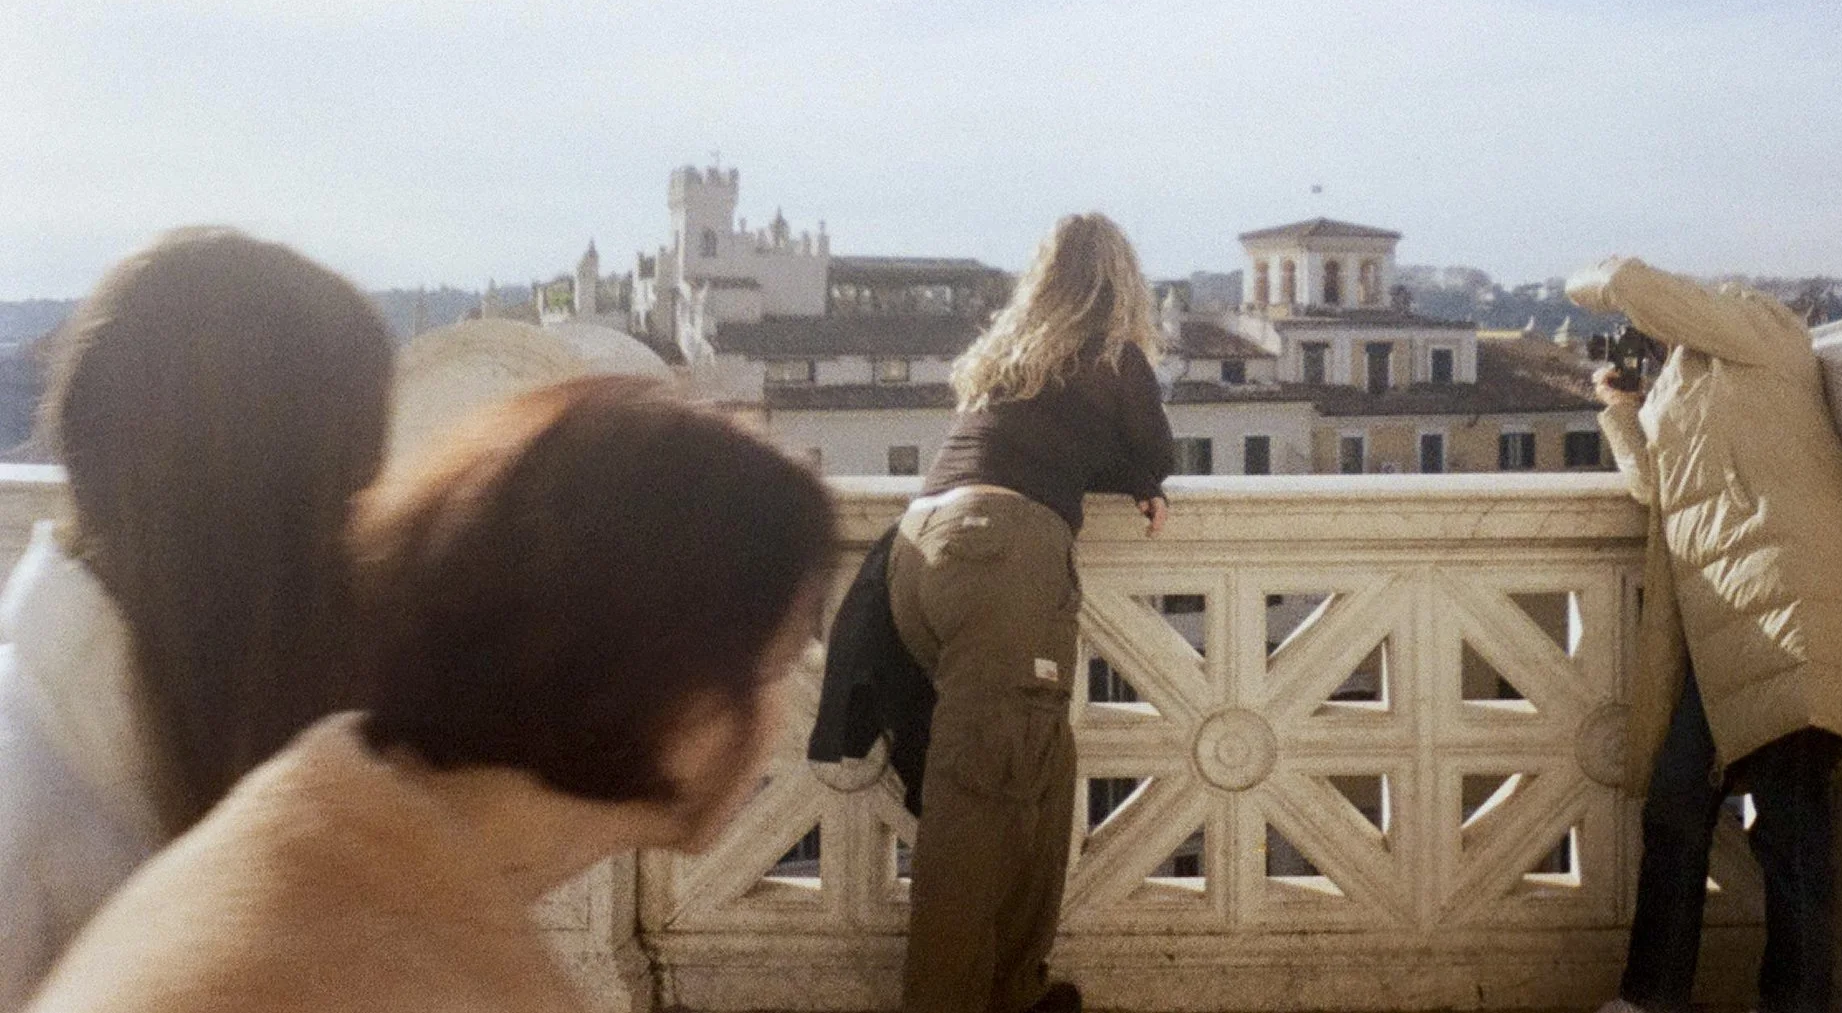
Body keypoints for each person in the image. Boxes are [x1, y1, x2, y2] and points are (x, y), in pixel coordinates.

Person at [28, 375, 837, 1013]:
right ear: (678, 694)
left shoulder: (312, 820)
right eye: (779, 660)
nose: (778, 715)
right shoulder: (407, 969)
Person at [0, 230, 394, 1008]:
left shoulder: (142, 727)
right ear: (256, 510)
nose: (369, 540)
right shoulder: (23, 796)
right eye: (349, 496)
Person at [1564, 256, 1842, 1013]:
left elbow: (1639, 285)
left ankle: (1794, 1002)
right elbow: (1657, 490)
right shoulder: (1683, 385)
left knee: (1789, 827)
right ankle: (1653, 996)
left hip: (1789, 610)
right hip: (1722, 633)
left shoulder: (1768, 335)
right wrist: (1621, 408)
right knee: (1678, 803)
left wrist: (1587, 281)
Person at [895, 212, 1174, 1013]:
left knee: (1039, 773)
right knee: (976, 801)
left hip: (921, 552)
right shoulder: (1112, 354)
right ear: (1122, 284)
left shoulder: (1007, 363)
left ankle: (1016, 988)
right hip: (1003, 560)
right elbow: (1151, 452)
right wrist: (1143, 479)